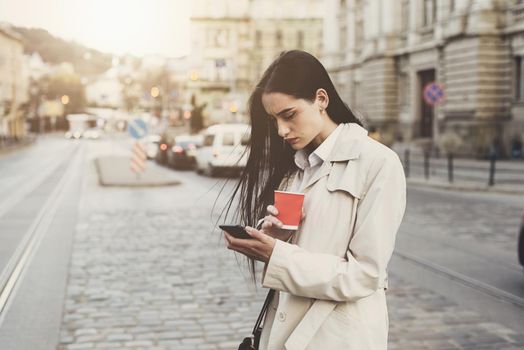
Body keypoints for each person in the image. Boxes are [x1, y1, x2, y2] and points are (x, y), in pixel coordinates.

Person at [222, 50, 406, 350]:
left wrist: (278, 256)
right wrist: (277, 239)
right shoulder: (295, 168)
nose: (281, 130)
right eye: (274, 120)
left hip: (339, 338)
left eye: (289, 115)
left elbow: (365, 275)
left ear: (321, 99)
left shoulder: (378, 163)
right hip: (284, 333)